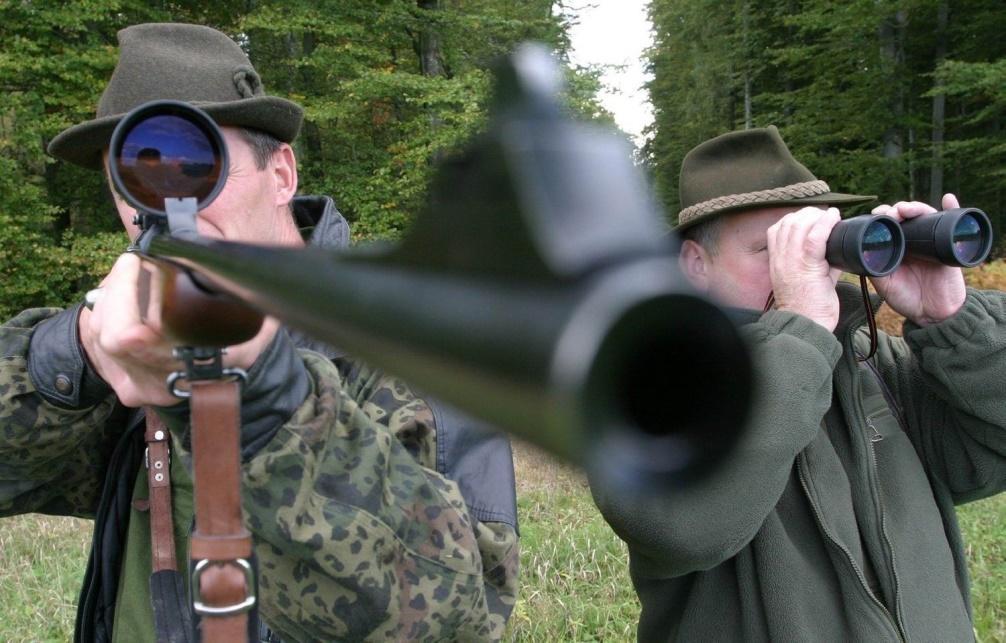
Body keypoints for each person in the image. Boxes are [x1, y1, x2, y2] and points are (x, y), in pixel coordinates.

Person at [0, 23, 519, 643]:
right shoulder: (131, 352)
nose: (161, 206)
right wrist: (73, 357)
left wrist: (269, 402)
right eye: (132, 174)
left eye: (195, 166)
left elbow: (461, 616)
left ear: (282, 175)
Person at [590, 125, 1006, 641]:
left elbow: (991, 455)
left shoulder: (876, 367)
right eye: (771, 250)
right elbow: (679, 528)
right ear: (695, 264)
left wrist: (952, 321)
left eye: (813, 246)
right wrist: (803, 330)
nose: (803, 267)